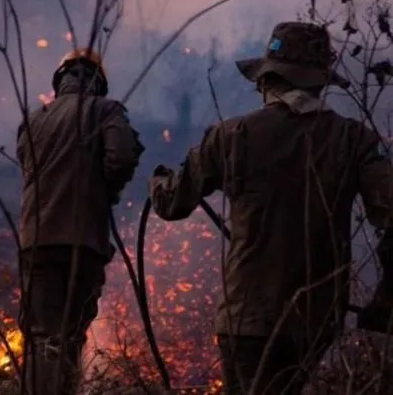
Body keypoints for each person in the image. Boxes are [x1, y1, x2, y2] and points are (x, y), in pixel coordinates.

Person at [148, 22, 393, 394]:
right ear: (319, 83)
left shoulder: (232, 135)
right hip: (315, 322)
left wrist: (158, 180)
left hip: (248, 321)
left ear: (267, 81)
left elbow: (171, 204)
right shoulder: (353, 138)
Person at [17, 48, 144, 394]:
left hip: (36, 240)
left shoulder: (33, 119)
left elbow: (27, 167)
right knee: (70, 333)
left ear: (61, 81)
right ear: (98, 83)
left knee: (41, 335)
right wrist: (105, 189)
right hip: (82, 242)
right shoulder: (106, 111)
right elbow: (121, 157)